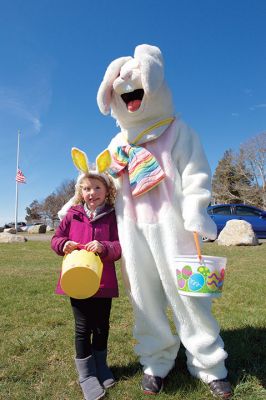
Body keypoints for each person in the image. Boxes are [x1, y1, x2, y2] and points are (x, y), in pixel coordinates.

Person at [51, 171, 121, 400]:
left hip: (103, 281)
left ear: (108, 190)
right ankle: (87, 375)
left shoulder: (113, 217)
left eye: (97, 188)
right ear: (81, 193)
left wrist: (104, 246)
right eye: (87, 189)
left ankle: (101, 366)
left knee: (101, 326)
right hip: (77, 279)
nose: (92, 193)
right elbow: (56, 239)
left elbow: (119, 246)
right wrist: (64, 244)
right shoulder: (72, 215)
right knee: (83, 328)